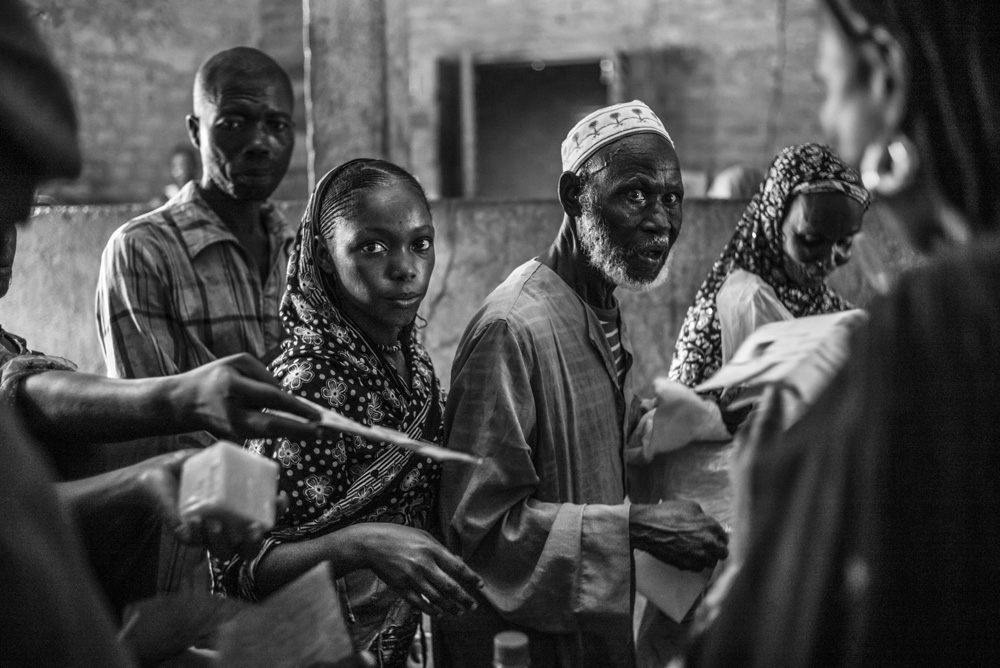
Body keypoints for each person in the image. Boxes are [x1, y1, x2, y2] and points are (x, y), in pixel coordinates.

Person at [683, 0, 1000, 666]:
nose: (831, 120)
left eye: (829, 86)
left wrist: (776, 495)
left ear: (886, 78)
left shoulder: (938, 325)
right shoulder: (750, 297)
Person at [434, 101, 729, 668]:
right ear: (575, 197)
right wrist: (637, 528)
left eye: (672, 198)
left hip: (589, 631)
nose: (661, 221)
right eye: (636, 194)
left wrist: (710, 414)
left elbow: (590, 439)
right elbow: (479, 531)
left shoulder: (599, 301)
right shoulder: (511, 328)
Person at [218, 159, 483, 668]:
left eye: (420, 243)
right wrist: (361, 543)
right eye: (373, 247)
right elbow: (248, 566)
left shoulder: (405, 355)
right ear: (322, 256)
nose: (406, 267)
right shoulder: (311, 385)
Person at [96, 45, 298, 595]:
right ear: (196, 128)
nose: (260, 142)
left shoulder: (304, 248)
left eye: (277, 124)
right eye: (234, 122)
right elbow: (155, 425)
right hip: (198, 539)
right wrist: (277, 485)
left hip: (302, 535)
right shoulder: (142, 250)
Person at [668, 143, 870, 409]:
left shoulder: (837, 316)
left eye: (844, 243)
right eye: (810, 240)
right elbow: (677, 426)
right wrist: (728, 419)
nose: (829, 260)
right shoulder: (719, 321)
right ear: (772, 222)